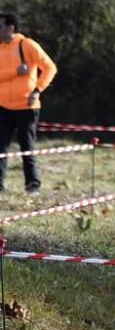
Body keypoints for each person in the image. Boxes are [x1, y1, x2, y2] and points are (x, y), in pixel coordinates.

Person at [0, 13, 57, 194]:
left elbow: (50, 68)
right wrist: (15, 72)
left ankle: (33, 186)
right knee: (0, 148)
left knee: (27, 147)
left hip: (27, 106)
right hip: (2, 106)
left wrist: (37, 90)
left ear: (10, 28)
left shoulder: (27, 45)